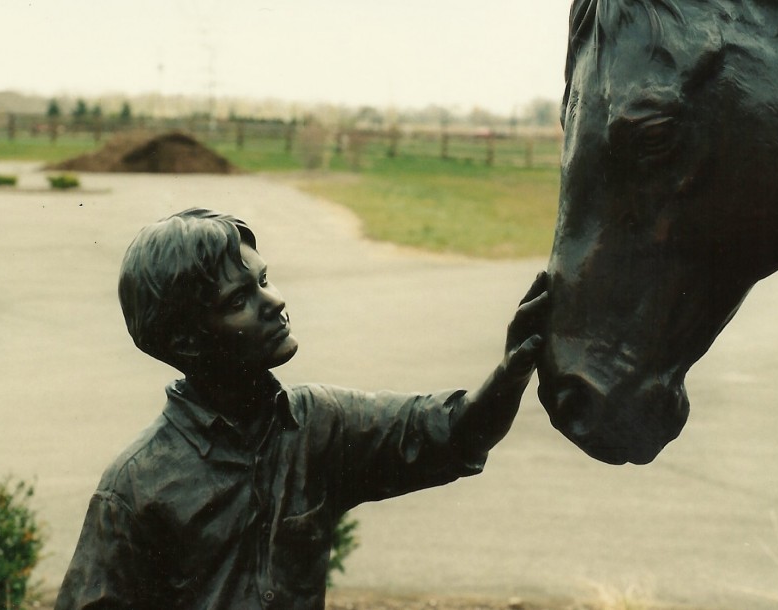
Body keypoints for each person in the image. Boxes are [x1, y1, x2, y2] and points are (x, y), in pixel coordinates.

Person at [55, 208, 548, 610]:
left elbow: (455, 432)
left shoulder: (319, 425)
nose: (275, 301)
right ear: (187, 341)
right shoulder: (135, 488)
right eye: (238, 300)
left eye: (264, 279)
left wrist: (512, 369)